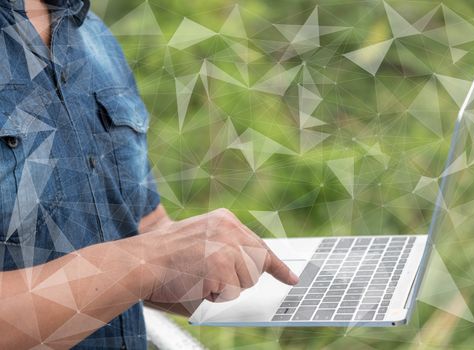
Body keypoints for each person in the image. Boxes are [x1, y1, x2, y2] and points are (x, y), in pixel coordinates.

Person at [0, 0, 298, 348]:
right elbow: (144, 255)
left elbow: (143, 228)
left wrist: (223, 265)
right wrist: (149, 259)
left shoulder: (90, 34)